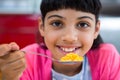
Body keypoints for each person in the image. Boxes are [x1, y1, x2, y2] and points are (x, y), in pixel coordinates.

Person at [0, 0, 120, 80]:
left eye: (83, 24)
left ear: (96, 29)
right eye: (57, 23)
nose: (69, 37)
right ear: (42, 27)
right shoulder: (27, 60)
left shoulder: (107, 58)